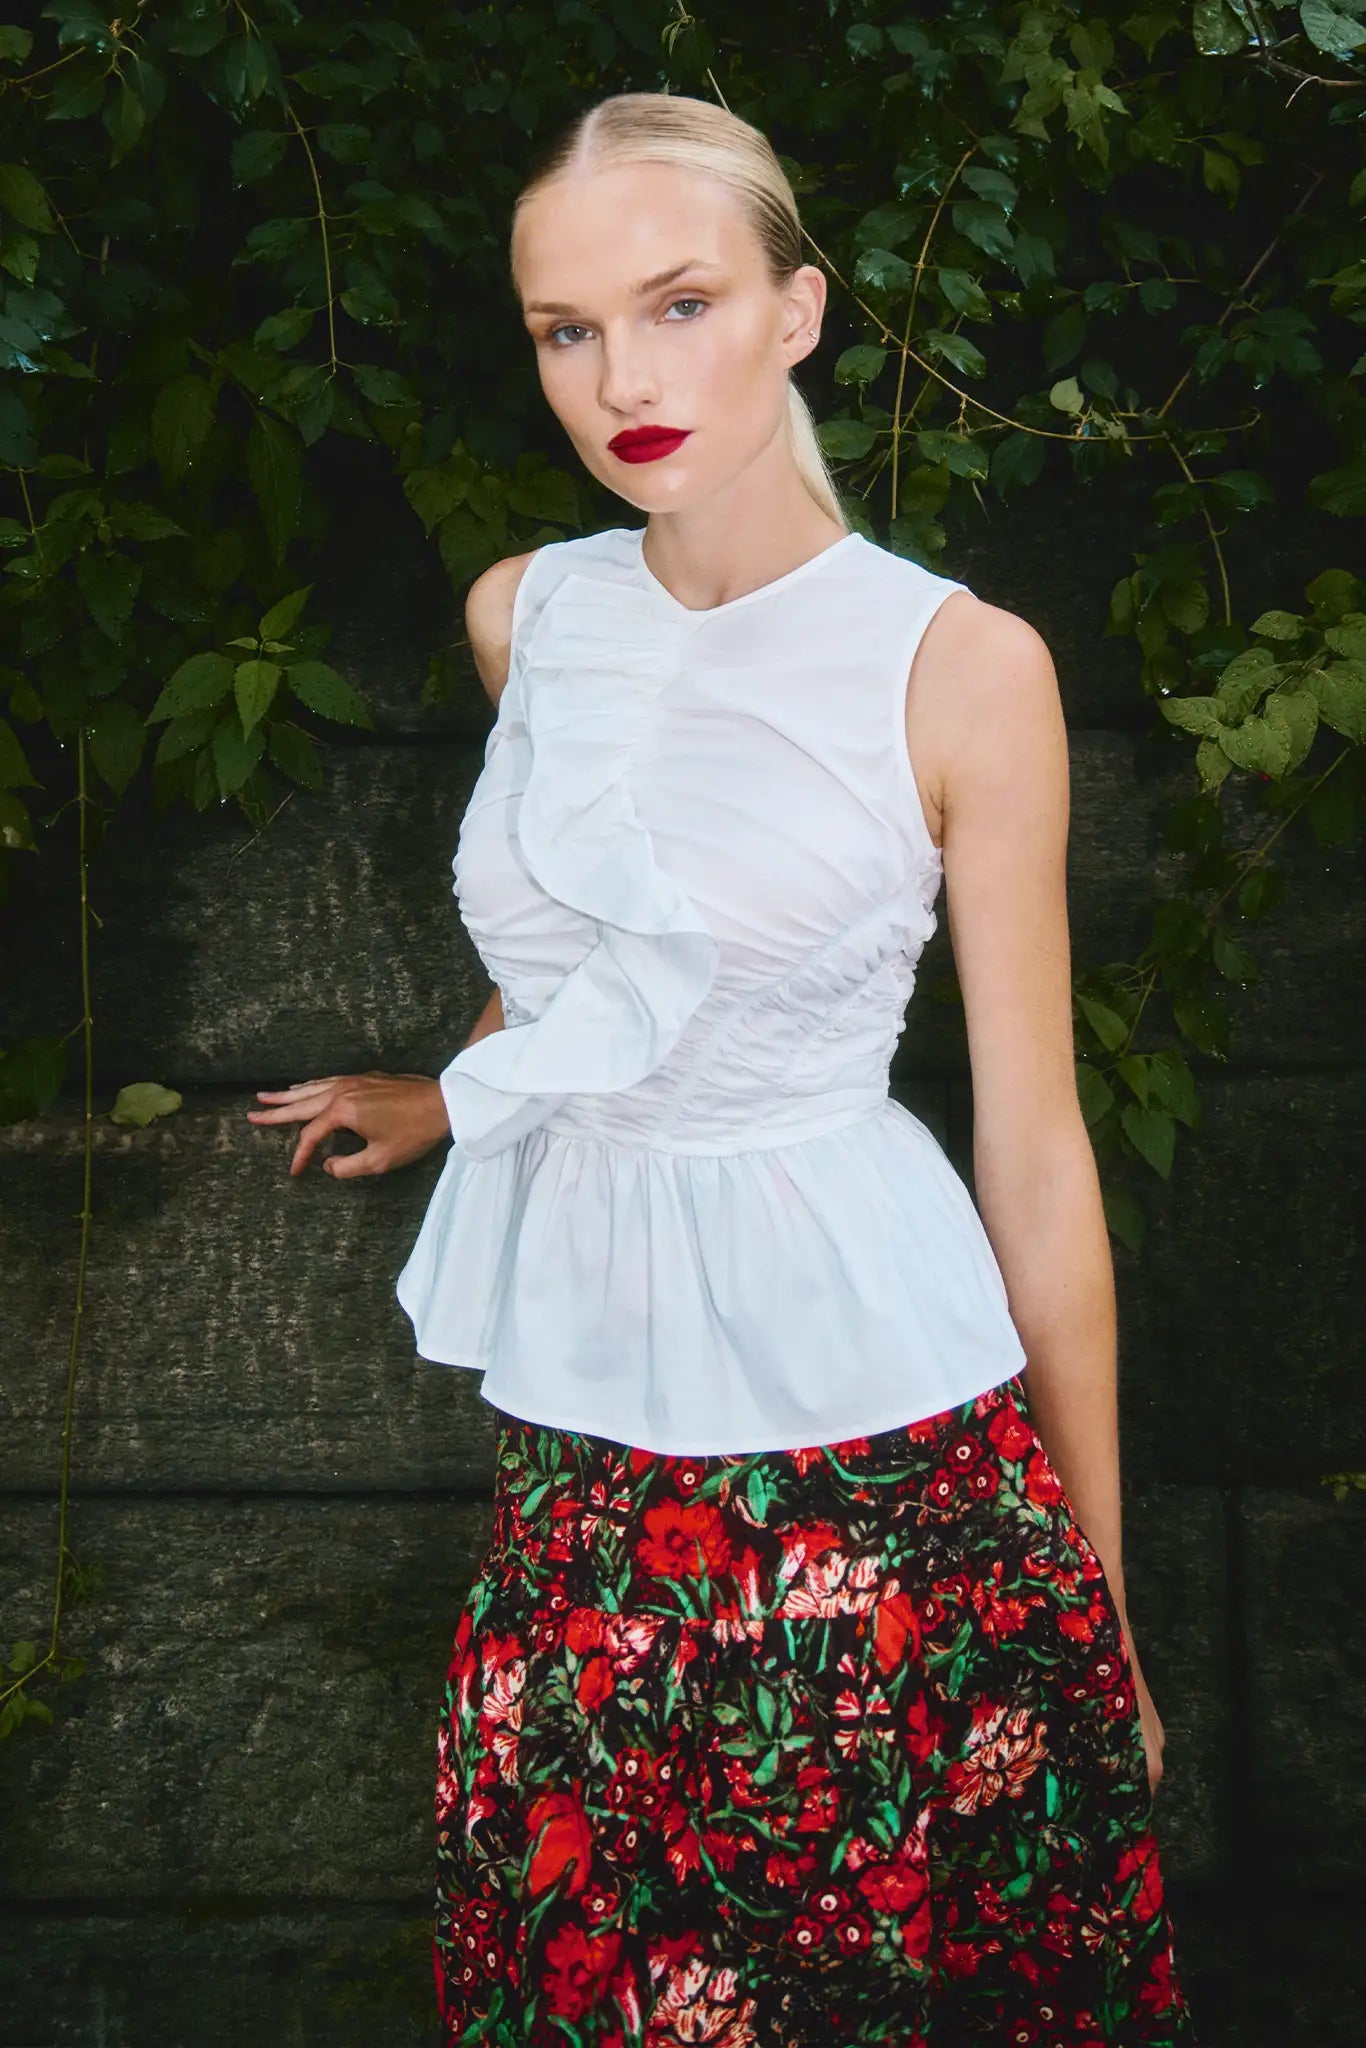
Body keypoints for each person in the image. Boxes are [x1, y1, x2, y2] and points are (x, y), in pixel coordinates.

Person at [249, 90, 1198, 2048]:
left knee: (826, 1957)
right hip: (587, 1443)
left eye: (678, 302)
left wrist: (1097, 1596)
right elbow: (603, 953)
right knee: (588, 1955)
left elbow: (1029, 1137)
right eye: (564, 329)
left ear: (796, 309)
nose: (620, 380)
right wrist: (455, 1089)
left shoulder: (955, 665)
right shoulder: (530, 613)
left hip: (872, 1428)